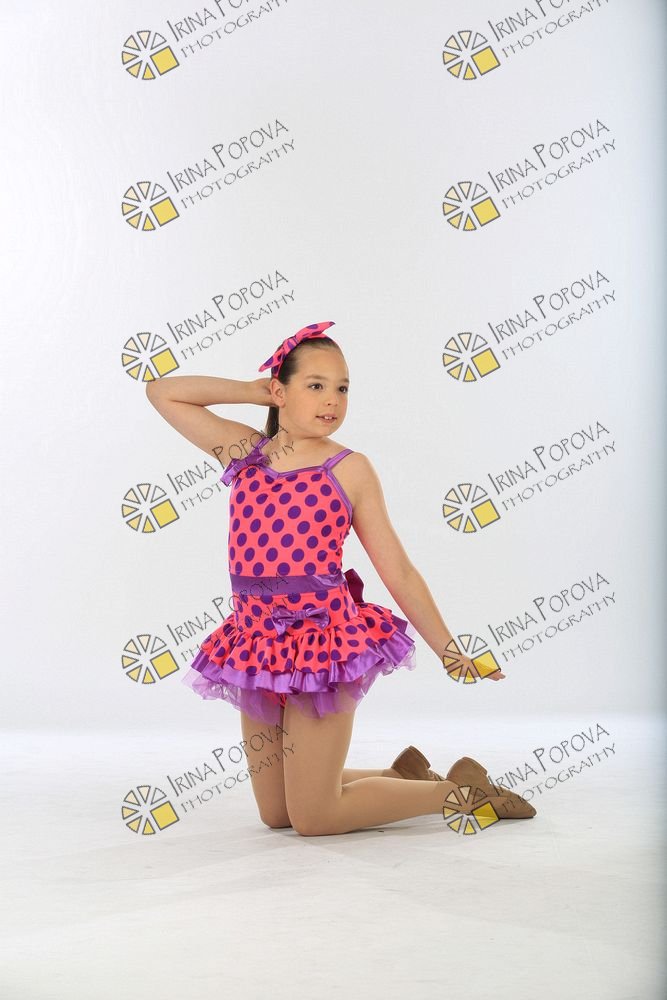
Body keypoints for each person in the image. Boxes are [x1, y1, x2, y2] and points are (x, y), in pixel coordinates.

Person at [146, 321, 536, 836]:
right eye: (315, 385)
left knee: (314, 818)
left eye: (342, 388)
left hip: (321, 646)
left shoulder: (349, 469)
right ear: (280, 391)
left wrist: (447, 649)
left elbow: (397, 569)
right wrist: (253, 391)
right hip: (257, 645)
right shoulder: (247, 454)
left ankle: (462, 792)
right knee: (277, 815)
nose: (332, 399)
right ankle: (401, 778)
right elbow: (163, 392)